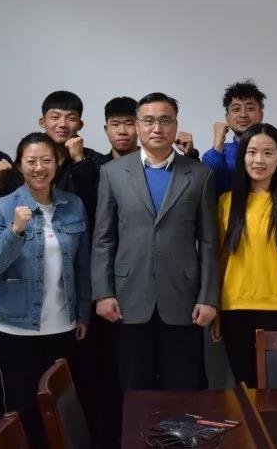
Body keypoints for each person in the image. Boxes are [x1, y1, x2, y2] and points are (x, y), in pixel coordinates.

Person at [92, 93, 219, 390]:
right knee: (135, 388)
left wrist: (208, 297)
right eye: (148, 121)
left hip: (183, 299)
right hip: (128, 298)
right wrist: (103, 293)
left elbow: (209, 242)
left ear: (175, 125)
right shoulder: (112, 173)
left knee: (183, 386)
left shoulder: (200, 174)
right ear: (138, 125)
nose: (157, 128)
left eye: (165, 120)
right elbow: (103, 238)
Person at [0, 133, 91, 449]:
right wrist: (15, 230)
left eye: (46, 160)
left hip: (62, 325)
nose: (39, 167)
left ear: (57, 163)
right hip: (15, 328)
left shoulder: (73, 205)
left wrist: (83, 312)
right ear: (19, 166)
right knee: (21, 411)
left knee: (59, 410)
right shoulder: (3, 207)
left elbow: (82, 265)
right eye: (31, 161)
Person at [213, 124, 277, 387]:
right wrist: (216, 308)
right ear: (242, 157)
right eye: (252, 152)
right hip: (235, 308)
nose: (259, 160)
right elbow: (219, 261)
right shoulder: (226, 202)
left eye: (268, 153)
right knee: (245, 389)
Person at [203, 80, 277, 193]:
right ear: (227, 117)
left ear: (260, 115)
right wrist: (218, 143)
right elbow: (208, 186)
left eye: (250, 109)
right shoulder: (218, 152)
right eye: (236, 109)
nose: (243, 114)